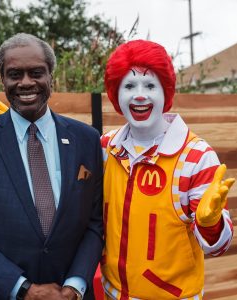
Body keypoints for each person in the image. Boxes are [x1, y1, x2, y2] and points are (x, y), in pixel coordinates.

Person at [0, 33, 103, 300]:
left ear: (51, 76)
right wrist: (24, 289)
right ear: (2, 80)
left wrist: (75, 285)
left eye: (36, 72)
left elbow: (95, 223)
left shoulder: (86, 139)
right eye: (15, 74)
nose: (26, 82)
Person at [99, 39, 235, 299]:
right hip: (112, 294)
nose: (140, 94)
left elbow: (218, 247)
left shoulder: (197, 156)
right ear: (116, 94)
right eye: (129, 85)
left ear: (166, 92)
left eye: (150, 85)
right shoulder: (106, 147)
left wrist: (210, 224)